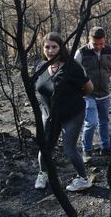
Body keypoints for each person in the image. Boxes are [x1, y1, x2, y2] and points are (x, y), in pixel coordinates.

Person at [34, 32, 94, 192]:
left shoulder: (72, 67)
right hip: (49, 114)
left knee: (69, 148)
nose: (51, 50)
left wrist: (73, 98)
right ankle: (43, 173)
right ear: (43, 49)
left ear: (61, 48)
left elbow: (89, 88)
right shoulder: (41, 67)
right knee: (45, 147)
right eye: (47, 47)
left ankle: (83, 179)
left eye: (54, 47)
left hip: (72, 114)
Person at [74, 27, 111, 162]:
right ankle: (87, 150)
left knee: (104, 121)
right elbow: (73, 72)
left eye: (101, 43)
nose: (99, 47)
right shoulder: (81, 52)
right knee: (91, 122)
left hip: (105, 93)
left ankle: (105, 147)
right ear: (89, 39)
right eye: (95, 44)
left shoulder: (108, 51)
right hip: (88, 94)